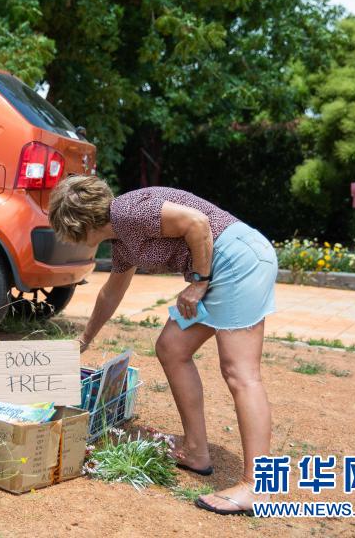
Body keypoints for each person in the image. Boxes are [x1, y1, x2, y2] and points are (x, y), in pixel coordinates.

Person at [48, 176, 277, 516]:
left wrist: (198, 283)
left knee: (240, 373)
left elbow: (197, 224)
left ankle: (257, 486)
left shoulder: (128, 211)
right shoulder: (123, 240)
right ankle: (197, 451)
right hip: (217, 267)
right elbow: (111, 293)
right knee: (171, 347)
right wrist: (84, 340)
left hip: (236, 260)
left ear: (79, 224)